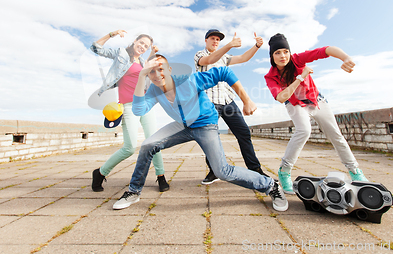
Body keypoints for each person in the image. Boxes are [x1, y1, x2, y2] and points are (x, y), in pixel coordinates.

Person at [112, 54, 288, 211]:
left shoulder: (188, 80)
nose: (157, 75)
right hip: (182, 125)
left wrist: (246, 100)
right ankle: (133, 192)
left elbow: (224, 73)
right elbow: (138, 110)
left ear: (169, 69)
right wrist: (141, 77)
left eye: (161, 69)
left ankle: (270, 186)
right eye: (151, 72)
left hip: (205, 124)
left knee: (222, 171)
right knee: (147, 145)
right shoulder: (153, 90)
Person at [264, 33, 368, 194]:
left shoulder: (298, 59)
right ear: (272, 56)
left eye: (285, 51)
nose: (283, 56)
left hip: (316, 101)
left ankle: (355, 171)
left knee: (335, 134)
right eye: (277, 53)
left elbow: (326, 50)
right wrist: (300, 77)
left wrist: (346, 58)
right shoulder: (271, 76)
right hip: (294, 104)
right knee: (304, 130)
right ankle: (284, 171)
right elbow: (281, 97)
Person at [89, 30, 169, 192]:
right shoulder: (121, 54)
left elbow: (144, 71)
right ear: (135, 41)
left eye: (146, 46)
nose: (142, 47)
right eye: (141, 43)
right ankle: (100, 173)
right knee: (130, 147)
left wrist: (153, 54)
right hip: (127, 105)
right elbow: (96, 48)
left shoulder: (141, 63)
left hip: (145, 104)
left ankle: (161, 176)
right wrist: (112, 34)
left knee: (154, 141)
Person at [194, 29, 268, 185]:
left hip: (228, 101)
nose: (215, 41)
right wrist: (229, 45)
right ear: (206, 40)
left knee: (243, 133)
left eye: (218, 40)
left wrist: (256, 46)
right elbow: (209, 60)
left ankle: (255, 170)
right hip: (209, 102)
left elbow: (243, 58)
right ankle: (214, 171)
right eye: (213, 39)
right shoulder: (200, 55)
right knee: (211, 138)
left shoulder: (225, 57)